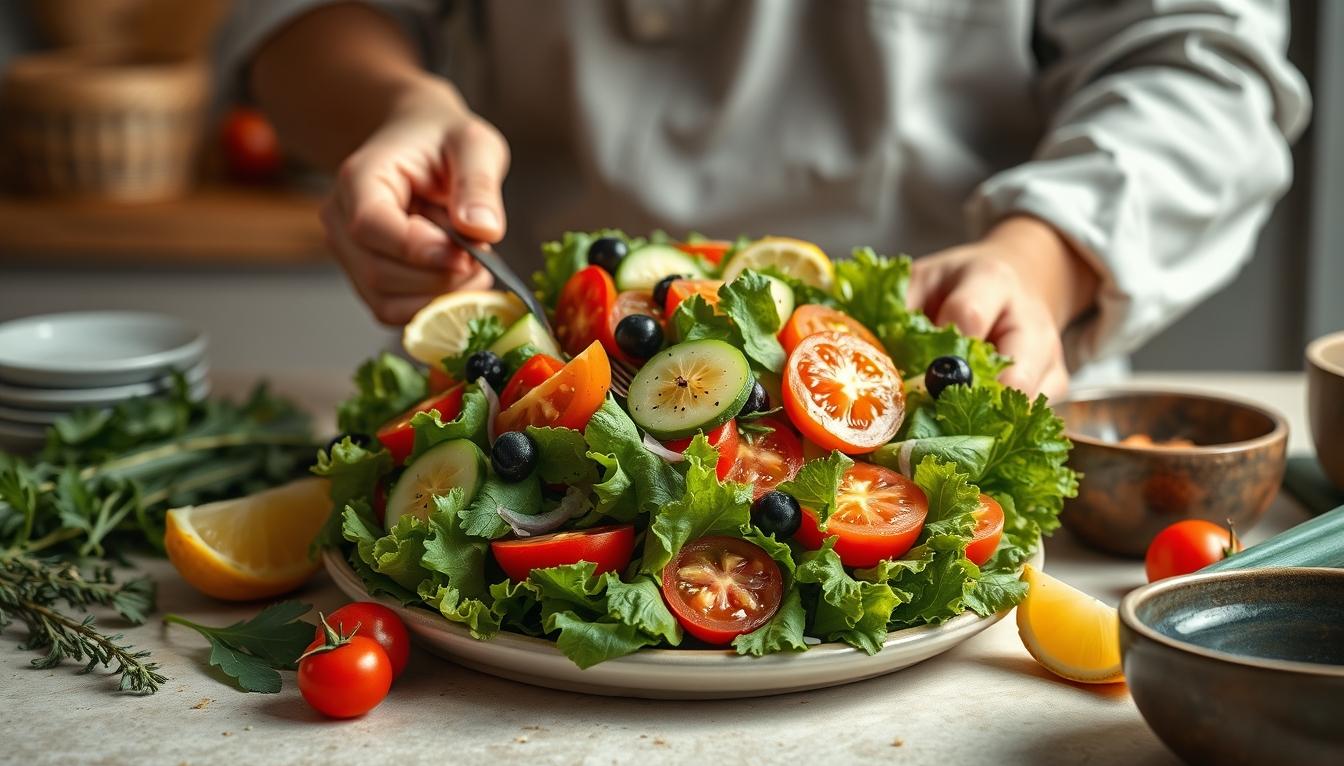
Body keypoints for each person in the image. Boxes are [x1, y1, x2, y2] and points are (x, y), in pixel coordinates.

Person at [220, 0, 1309, 398]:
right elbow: (302, 17)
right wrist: (400, 105)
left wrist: (1042, 258)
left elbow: (1203, 59)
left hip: (961, 356)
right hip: (557, 369)